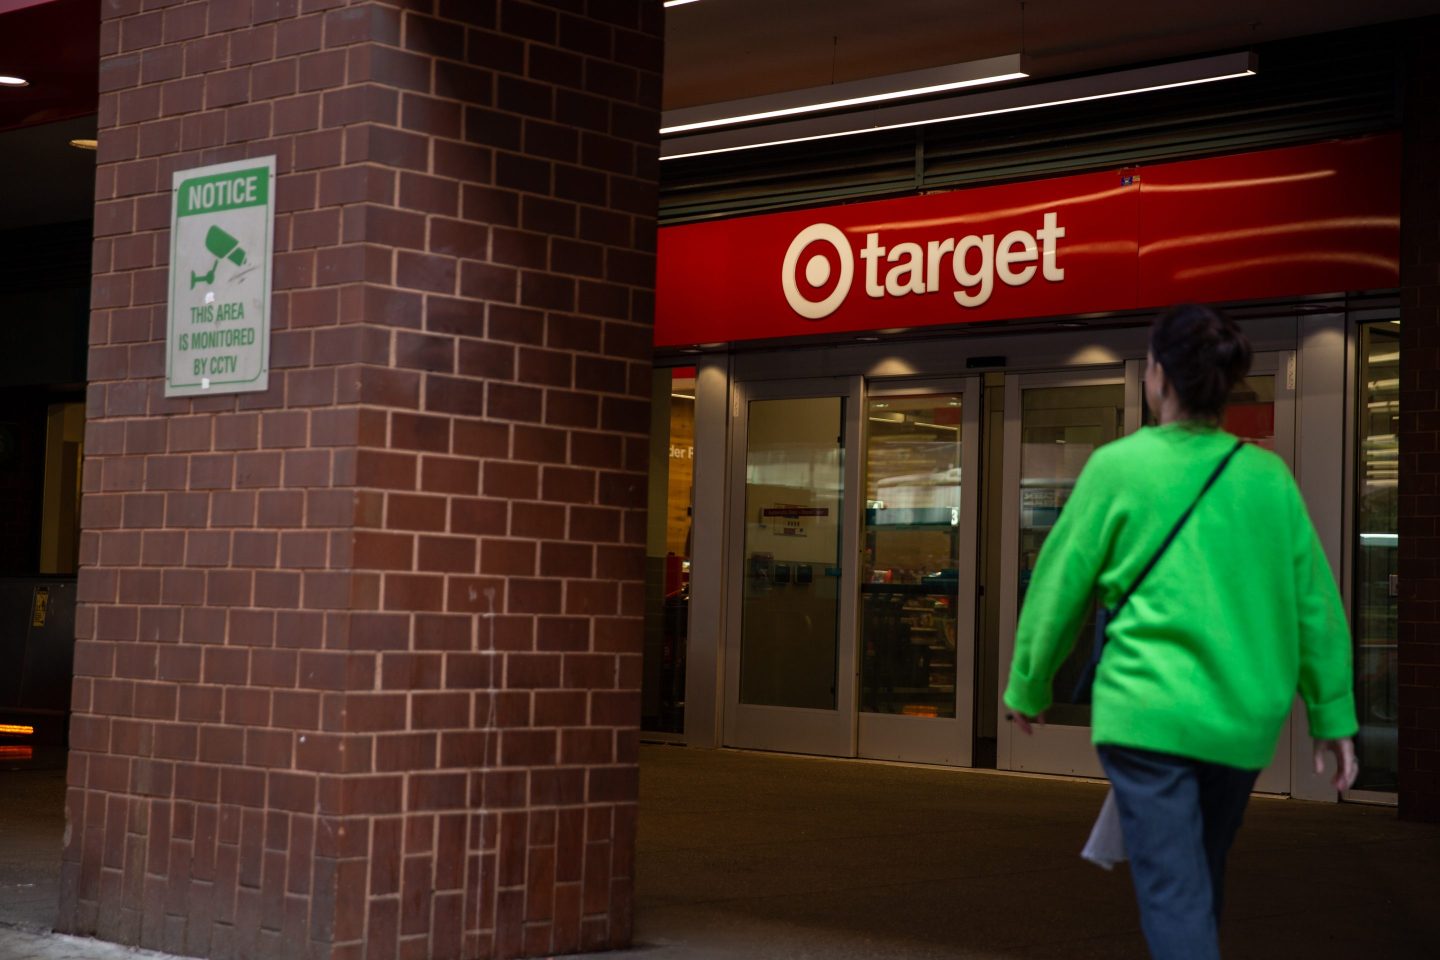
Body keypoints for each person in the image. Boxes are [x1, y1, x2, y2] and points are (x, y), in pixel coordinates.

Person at [1003, 303, 1359, 960]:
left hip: (1148, 714)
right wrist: (1332, 712)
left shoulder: (1119, 467)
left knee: (1174, 889)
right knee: (1199, 872)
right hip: (1242, 719)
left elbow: (1060, 584)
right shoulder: (1266, 478)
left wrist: (1029, 681)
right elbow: (1314, 601)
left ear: (1159, 377)